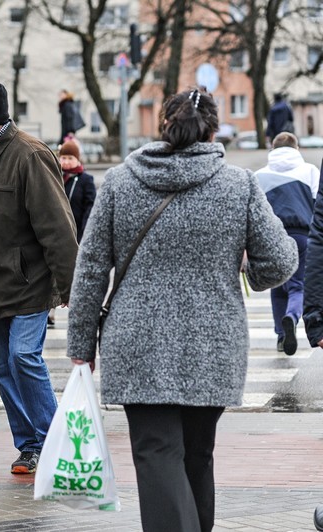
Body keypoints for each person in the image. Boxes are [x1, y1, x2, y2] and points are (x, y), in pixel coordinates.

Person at [67, 88, 297, 532]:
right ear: (212, 130)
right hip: (213, 344)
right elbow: (282, 262)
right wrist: (248, 268)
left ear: (162, 127)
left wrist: (81, 346)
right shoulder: (238, 184)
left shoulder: (119, 181)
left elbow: (90, 269)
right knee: (197, 454)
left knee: (156, 452)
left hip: (137, 342)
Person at [0, 79, 79, 475]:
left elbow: (58, 227)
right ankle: (30, 447)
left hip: (28, 284)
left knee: (24, 357)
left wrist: (73, 287)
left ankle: (59, 443)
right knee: (3, 368)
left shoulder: (30, 155)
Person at [255, 132, 318, 355]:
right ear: (296, 149)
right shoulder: (310, 171)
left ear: (273, 149)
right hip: (302, 236)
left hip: (272, 238)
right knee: (297, 285)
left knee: (277, 285)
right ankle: (291, 317)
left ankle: (281, 336)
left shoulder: (259, 176)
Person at [59, 139, 96, 242]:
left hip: (78, 233)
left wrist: (85, 232)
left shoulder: (86, 180)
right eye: (63, 158)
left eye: (70, 158)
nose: (66, 162)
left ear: (77, 159)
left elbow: (90, 206)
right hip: (58, 232)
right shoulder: (55, 177)